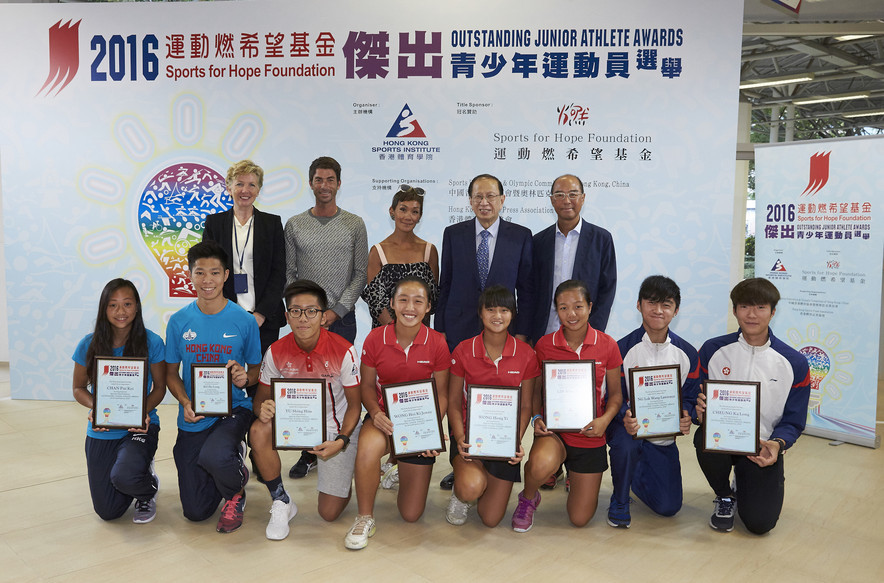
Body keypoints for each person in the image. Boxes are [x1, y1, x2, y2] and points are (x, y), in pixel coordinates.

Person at [435, 173, 534, 490]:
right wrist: (442, 335)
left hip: (505, 331)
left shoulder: (520, 236)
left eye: (491, 196)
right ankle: (459, 459)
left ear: (503, 200)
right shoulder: (454, 233)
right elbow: (446, 284)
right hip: (459, 329)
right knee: (459, 397)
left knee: (497, 394)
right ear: (469, 200)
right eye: (478, 196)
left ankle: (499, 449)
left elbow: (527, 289)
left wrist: (521, 334)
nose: (484, 202)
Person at [693, 278, 810, 534]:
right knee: (703, 436)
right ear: (735, 310)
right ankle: (724, 495)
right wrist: (697, 411)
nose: (752, 314)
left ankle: (746, 482)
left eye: (760, 307)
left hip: (762, 445)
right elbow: (695, 397)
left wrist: (778, 444)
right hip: (720, 440)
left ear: (773, 312)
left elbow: (794, 420)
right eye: (745, 306)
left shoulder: (794, 362)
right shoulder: (712, 350)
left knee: (760, 525)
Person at [249, 280, 362, 540]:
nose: (303, 318)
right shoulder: (275, 351)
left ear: (323, 316)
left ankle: (345, 469)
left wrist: (342, 440)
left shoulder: (344, 350)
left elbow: (355, 405)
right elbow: (260, 400)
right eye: (296, 311)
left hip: (335, 431)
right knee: (258, 430)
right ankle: (281, 500)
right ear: (287, 316)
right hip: (293, 425)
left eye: (311, 311)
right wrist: (263, 409)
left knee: (329, 512)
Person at [344, 277, 450, 550]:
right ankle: (364, 516)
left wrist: (431, 432)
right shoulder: (375, 338)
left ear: (428, 307)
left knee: (411, 514)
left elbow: (441, 395)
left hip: (418, 426)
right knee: (367, 450)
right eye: (403, 300)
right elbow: (367, 386)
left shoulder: (437, 342)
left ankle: (397, 466)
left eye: (418, 301)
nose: (410, 307)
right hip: (384, 419)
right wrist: (376, 412)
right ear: (391, 304)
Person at [165, 240, 262, 533]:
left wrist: (245, 377)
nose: (207, 280)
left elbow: (256, 370)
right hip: (195, 415)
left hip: (233, 409)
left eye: (215, 273)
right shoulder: (179, 322)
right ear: (190, 275)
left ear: (226, 276)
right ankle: (226, 468)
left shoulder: (244, 321)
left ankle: (235, 490)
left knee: (214, 456)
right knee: (195, 513)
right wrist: (184, 402)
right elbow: (171, 374)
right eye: (200, 272)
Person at [512, 279, 622, 532]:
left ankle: (573, 472)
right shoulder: (544, 345)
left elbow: (615, 396)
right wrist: (537, 417)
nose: (571, 314)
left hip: (589, 434)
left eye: (578, 306)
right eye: (563, 308)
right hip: (555, 432)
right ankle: (528, 498)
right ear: (556, 310)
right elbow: (538, 391)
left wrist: (604, 421)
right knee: (539, 464)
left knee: (579, 519)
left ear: (590, 307)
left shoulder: (607, 345)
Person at [530, 174, 617, 490]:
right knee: (549, 400)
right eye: (560, 194)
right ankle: (552, 464)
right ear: (551, 199)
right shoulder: (538, 241)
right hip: (548, 334)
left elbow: (607, 288)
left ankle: (578, 463)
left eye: (573, 193)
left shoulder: (601, 238)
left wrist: (594, 334)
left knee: (582, 401)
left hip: (584, 335)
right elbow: (529, 289)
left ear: (583, 197)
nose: (567, 199)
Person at [284, 156, 368, 480]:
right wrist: (310, 313)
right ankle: (309, 452)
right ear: (310, 183)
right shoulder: (294, 225)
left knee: (341, 388)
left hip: (342, 319)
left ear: (339, 183)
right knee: (309, 386)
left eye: (330, 180)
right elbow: (290, 274)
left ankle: (342, 446)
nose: (324, 186)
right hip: (306, 321)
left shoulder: (354, 224)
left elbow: (360, 273)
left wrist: (335, 311)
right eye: (318, 180)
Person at [606, 275, 699, 528]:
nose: (658, 310)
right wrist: (625, 413)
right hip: (628, 429)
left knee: (669, 507)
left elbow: (690, 396)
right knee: (626, 445)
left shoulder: (688, 353)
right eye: (651, 303)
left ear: (676, 310)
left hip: (663, 434)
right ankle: (620, 498)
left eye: (666, 304)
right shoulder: (621, 348)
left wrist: (686, 413)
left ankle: (637, 475)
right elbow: (611, 396)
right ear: (639, 305)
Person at [71, 279, 166, 523]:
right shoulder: (89, 343)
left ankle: (146, 487)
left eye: (127, 304)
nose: (120, 312)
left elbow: (160, 388)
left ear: (137, 307)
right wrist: (96, 409)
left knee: (126, 477)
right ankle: (134, 472)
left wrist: (142, 412)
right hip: (102, 428)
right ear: (104, 309)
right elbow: (78, 388)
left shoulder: (152, 341)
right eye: (113, 305)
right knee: (108, 512)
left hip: (139, 426)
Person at [445, 286, 538, 527]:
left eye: (504, 310)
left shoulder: (526, 354)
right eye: (491, 309)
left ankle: (483, 481)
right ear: (480, 313)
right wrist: (460, 437)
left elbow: (526, 406)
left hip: (503, 443)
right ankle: (461, 494)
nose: (497, 316)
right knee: (471, 487)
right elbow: (454, 401)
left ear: (513, 314)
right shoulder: (464, 350)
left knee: (491, 519)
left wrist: (515, 440)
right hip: (469, 440)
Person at [202, 159, 286, 362]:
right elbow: (208, 271)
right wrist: (226, 312)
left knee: (261, 377)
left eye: (252, 184)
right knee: (227, 372)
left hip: (264, 320)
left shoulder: (272, 224)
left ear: (259, 190)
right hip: (224, 315)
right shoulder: (215, 223)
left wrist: (261, 314)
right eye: (239, 184)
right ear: (228, 187)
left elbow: (279, 272)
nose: (245, 190)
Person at [361, 184, 439, 329]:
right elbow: (375, 300)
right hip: (386, 333)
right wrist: (396, 331)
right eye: (403, 209)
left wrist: (416, 332)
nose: (408, 217)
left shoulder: (429, 251)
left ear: (420, 216)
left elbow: (431, 299)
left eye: (414, 212)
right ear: (392, 211)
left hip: (420, 334)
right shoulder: (378, 251)